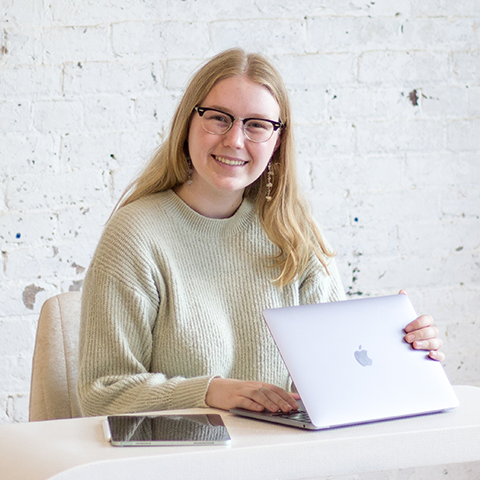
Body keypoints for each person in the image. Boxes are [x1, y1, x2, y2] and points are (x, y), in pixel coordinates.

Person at [78, 48, 444, 417]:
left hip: (284, 458)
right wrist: (210, 392)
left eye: (256, 124)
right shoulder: (136, 235)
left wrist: (402, 349)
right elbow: (102, 392)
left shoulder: (295, 233)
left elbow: (340, 376)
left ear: (278, 141)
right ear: (187, 122)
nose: (235, 140)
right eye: (219, 118)